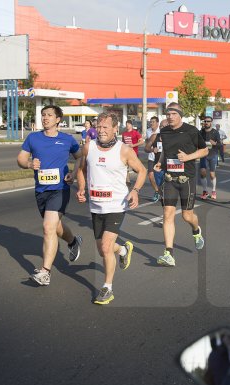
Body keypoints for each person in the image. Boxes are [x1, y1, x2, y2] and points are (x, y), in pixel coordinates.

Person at [76, 112, 146, 304]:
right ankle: (123, 250)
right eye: (99, 126)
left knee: (106, 247)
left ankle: (108, 288)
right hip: (96, 206)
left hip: (116, 204)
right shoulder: (89, 147)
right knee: (102, 249)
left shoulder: (124, 150)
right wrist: (81, 187)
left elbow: (142, 171)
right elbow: (81, 168)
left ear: (116, 129)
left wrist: (136, 190)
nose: (101, 130)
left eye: (106, 127)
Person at [16, 105, 84, 286]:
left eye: (49, 115)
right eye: (43, 115)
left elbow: (79, 157)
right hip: (41, 191)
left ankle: (45, 272)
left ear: (58, 119)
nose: (45, 118)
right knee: (55, 226)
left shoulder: (67, 139)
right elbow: (21, 159)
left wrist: (74, 173)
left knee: (48, 227)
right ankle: (73, 241)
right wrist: (30, 164)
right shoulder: (33, 138)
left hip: (60, 189)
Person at [152, 102, 207, 267]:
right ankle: (169, 253)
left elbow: (204, 150)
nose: (169, 117)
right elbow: (166, 151)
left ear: (180, 115)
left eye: (173, 114)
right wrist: (160, 162)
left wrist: (188, 157)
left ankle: (196, 231)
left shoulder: (191, 131)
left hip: (187, 178)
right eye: (167, 114)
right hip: (170, 179)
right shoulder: (164, 131)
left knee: (186, 216)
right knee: (167, 214)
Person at [198, 115, 222, 200]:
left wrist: (215, 144)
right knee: (202, 172)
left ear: (211, 123)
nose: (206, 123)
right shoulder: (201, 132)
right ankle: (205, 191)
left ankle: (214, 190)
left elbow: (220, 144)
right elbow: (196, 142)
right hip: (203, 155)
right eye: (205, 121)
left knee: (212, 175)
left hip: (213, 155)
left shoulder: (215, 132)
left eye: (208, 121)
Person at [144, 116, 162, 202]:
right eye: (150, 122)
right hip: (151, 157)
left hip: (160, 158)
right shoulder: (148, 131)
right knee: (151, 176)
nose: (151, 123)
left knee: (161, 177)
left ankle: (163, 192)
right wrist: (151, 149)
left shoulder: (161, 131)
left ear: (157, 123)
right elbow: (147, 143)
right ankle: (157, 191)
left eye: (153, 122)